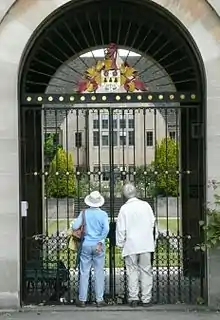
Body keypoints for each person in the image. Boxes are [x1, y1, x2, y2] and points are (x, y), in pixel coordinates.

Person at [116, 183, 157, 307]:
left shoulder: (124, 209)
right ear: (136, 192)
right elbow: (152, 223)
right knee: (146, 271)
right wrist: (153, 240)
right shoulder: (146, 206)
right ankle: (146, 299)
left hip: (131, 244)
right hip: (145, 243)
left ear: (124, 195)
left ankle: (133, 298)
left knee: (132, 271)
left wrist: (120, 243)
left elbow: (120, 228)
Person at [71, 191, 109, 307]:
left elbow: (74, 226)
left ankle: (82, 299)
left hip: (86, 244)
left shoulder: (84, 213)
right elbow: (106, 229)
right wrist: (100, 240)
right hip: (99, 245)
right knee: (99, 272)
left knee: (84, 272)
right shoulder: (103, 214)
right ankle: (99, 299)